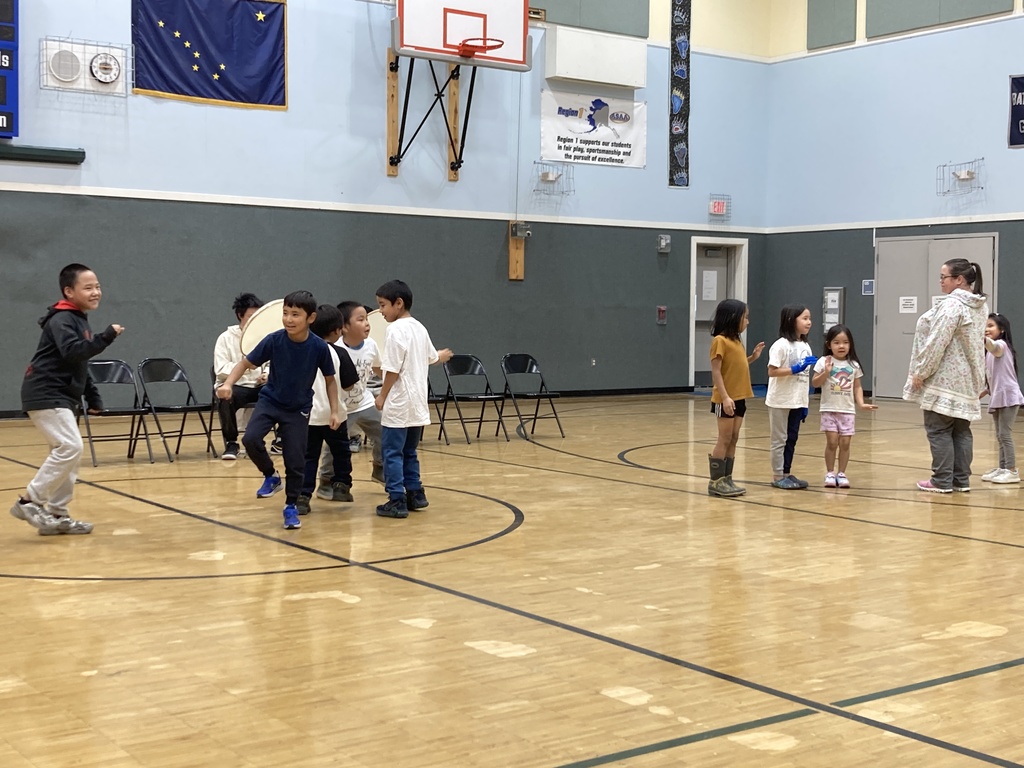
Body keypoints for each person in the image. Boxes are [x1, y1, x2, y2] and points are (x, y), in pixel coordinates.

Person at [11, 263, 124, 535]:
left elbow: (79, 363)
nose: (96, 292)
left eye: (97, 286)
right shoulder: (62, 319)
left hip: (60, 396)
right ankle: (29, 501)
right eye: (88, 287)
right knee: (70, 447)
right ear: (69, 291)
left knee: (69, 454)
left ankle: (58, 514)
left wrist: (93, 396)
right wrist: (106, 337)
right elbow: (74, 352)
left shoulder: (77, 318)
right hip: (46, 393)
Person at [217, 290, 340, 530]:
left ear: (310, 318)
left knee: (295, 460)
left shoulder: (318, 347)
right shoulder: (274, 340)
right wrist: (228, 383)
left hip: (298, 410)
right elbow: (244, 363)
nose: (289, 319)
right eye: (285, 313)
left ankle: (291, 506)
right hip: (270, 401)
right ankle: (271, 476)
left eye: (295, 314)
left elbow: (330, 380)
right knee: (251, 439)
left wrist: (335, 411)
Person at [904, 258, 987, 493]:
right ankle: (960, 480)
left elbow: (937, 342)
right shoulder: (979, 305)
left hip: (945, 381)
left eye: (943, 277)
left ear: (959, 279)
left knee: (939, 429)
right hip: (967, 380)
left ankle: (941, 480)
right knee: (961, 431)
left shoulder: (952, 306)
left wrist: (921, 372)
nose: (940, 281)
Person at [373, 280, 453, 518]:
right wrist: (442, 355)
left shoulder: (395, 330)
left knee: (392, 452)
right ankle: (416, 494)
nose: (380, 311)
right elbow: (430, 357)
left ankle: (396, 499)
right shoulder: (419, 327)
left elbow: (394, 370)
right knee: (409, 451)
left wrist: (382, 395)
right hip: (417, 404)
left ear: (399, 304)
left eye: (383, 305)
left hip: (398, 404)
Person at [299, 305, 359, 514]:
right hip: (335, 414)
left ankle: (303, 496)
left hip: (308, 415)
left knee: (308, 456)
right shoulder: (339, 352)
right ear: (337, 331)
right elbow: (349, 385)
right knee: (341, 452)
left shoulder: (302, 352)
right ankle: (342, 486)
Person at [707, 299, 764, 497]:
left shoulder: (737, 341)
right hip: (725, 399)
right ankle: (715, 481)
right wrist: (725, 397)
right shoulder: (719, 341)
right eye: (745, 317)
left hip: (740, 397)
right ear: (733, 318)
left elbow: (736, 366)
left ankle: (727, 478)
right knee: (724, 438)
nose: (747, 321)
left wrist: (753, 358)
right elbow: (716, 372)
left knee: (734, 437)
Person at [811, 324, 878, 488]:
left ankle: (841, 473)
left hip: (847, 410)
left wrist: (861, 403)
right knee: (832, 442)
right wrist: (826, 372)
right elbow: (815, 382)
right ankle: (829, 472)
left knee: (845, 443)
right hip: (829, 409)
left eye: (845, 342)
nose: (841, 346)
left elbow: (857, 386)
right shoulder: (823, 361)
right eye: (836, 342)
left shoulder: (853, 365)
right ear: (829, 345)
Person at [331, 300, 384, 486]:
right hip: (341, 407)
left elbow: (378, 368)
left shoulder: (370, 345)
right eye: (361, 319)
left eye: (367, 319)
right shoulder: (334, 349)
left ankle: (379, 468)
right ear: (344, 327)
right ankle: (326, 480)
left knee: (384, 433)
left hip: (364, 401)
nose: (367, 323)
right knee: (334, 448)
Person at [765, 304, 816, 490]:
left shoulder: (805, 345)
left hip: (797, 400)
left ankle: (787, 473)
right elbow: (772, 371)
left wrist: (804, 403)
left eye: (809, 318)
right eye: (804, 318)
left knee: (791, 438)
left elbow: (804, 379)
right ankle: (777, 475)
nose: (809, 322)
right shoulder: (780, 345)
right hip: (780, 400)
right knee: (779, 439)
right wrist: (795, 369)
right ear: (791, 320)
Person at [213, 292, 267, 460]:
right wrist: (245, 367)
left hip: (258, 386)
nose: (254, 321)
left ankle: (278, 439)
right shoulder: (225, 338)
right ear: (240, 315)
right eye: (250, 316)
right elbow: (220, 368)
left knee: (282, 391)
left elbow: (273, 362)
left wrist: (266, 373)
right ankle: (231, 443)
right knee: (225, 397)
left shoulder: (265, 337)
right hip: (237, 386)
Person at [980, 312, 1024, 484]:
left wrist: (979, 336)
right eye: (985, 326)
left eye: (990, 326)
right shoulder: (989, 352)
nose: (986, 329)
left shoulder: (1001, 346)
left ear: (1002, 330)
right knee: (999, 435)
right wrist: (986, 390)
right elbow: (995, 375)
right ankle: (1003, 467)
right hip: (998, 396)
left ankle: (1012, 471)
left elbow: (993, 346)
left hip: (1008, 397)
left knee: (1005, 434)